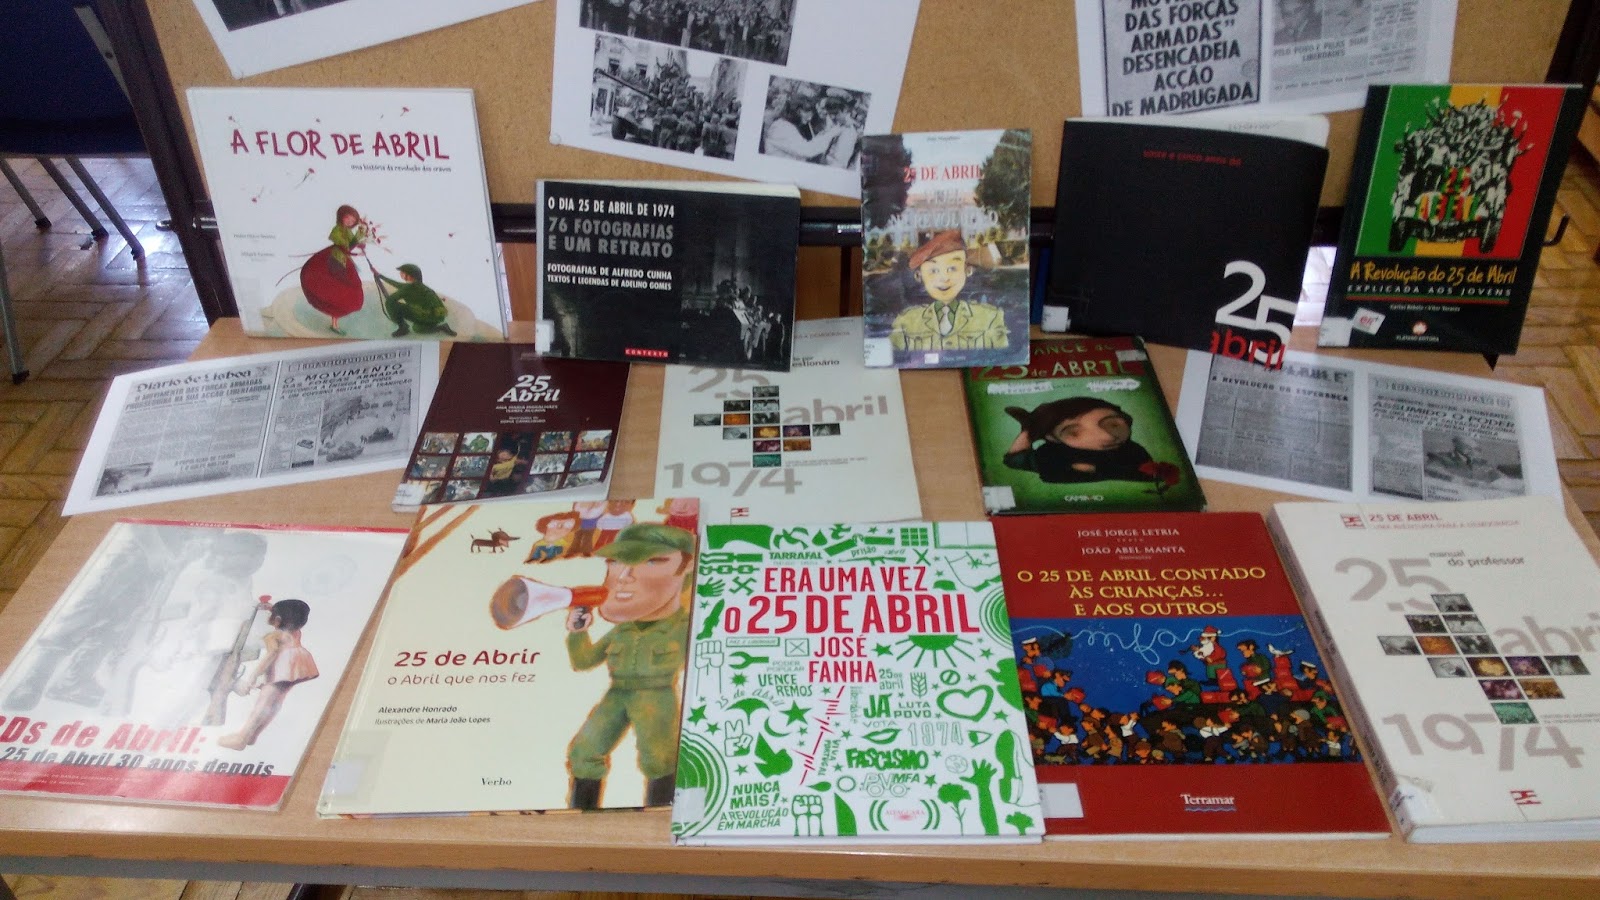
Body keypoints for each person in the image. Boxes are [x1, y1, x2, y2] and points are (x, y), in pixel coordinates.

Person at [488, 523, 696, 809]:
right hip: (617, 694)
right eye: (616, 562)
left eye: (651, 561)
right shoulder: (622, 630)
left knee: (659, 758)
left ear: (686, 568)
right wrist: (578, 633)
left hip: (655, 696)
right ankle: (582, 817)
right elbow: (584, 661)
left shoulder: (685, 627)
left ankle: (662, 815)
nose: (624, 576)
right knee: (584, 752)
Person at [218, 598, 318, 750]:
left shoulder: (274, 636)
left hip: (282, 669)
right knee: (276, 701)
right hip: (299, 665)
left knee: (263, 702)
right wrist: (272, 608)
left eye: (273, 615)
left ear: (277, 620)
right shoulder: (296, 631)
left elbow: (271, 655)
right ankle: (253, 735)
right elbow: (287, 617)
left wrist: (254, 675)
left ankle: (242, 737)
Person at [887, 230, 1009, 353]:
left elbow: (1002, 355)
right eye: (933, 271)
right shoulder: (906, 321)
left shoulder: (989, 317)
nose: (944, 278)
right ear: (919, 276)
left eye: (952, 268)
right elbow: (893, 356)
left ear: (968, 271)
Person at [1001, 396, 1155, 484]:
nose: (1107, 437)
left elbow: (1148, 476)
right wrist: (1029, 431)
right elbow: (1015, 461)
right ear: (1052, 438)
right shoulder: (1050, 453)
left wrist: (1098, 470)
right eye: (1074, 433)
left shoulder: (1132, 451)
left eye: (1113, 425)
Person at [374, 264, 457, 338]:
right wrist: (380, 276)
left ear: (409, 275)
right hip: (436, 317)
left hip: (425, 314)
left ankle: (403, 327)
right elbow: (396, 284)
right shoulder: (419, 285)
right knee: (417, 328)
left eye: (402, 273)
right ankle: (442, 327)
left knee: (389, 303)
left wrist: (393, 312)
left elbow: (391, 299)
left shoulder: (408, 288)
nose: (401, 274)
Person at [762, 84, 841, 162]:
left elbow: (802, 145)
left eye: (811, 115)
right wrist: (832, 133)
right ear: (797, 111)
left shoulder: (785, 125)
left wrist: (820, 137)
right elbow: (807, 150)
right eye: (807, 114)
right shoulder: (782, 127)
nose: (809, 119)